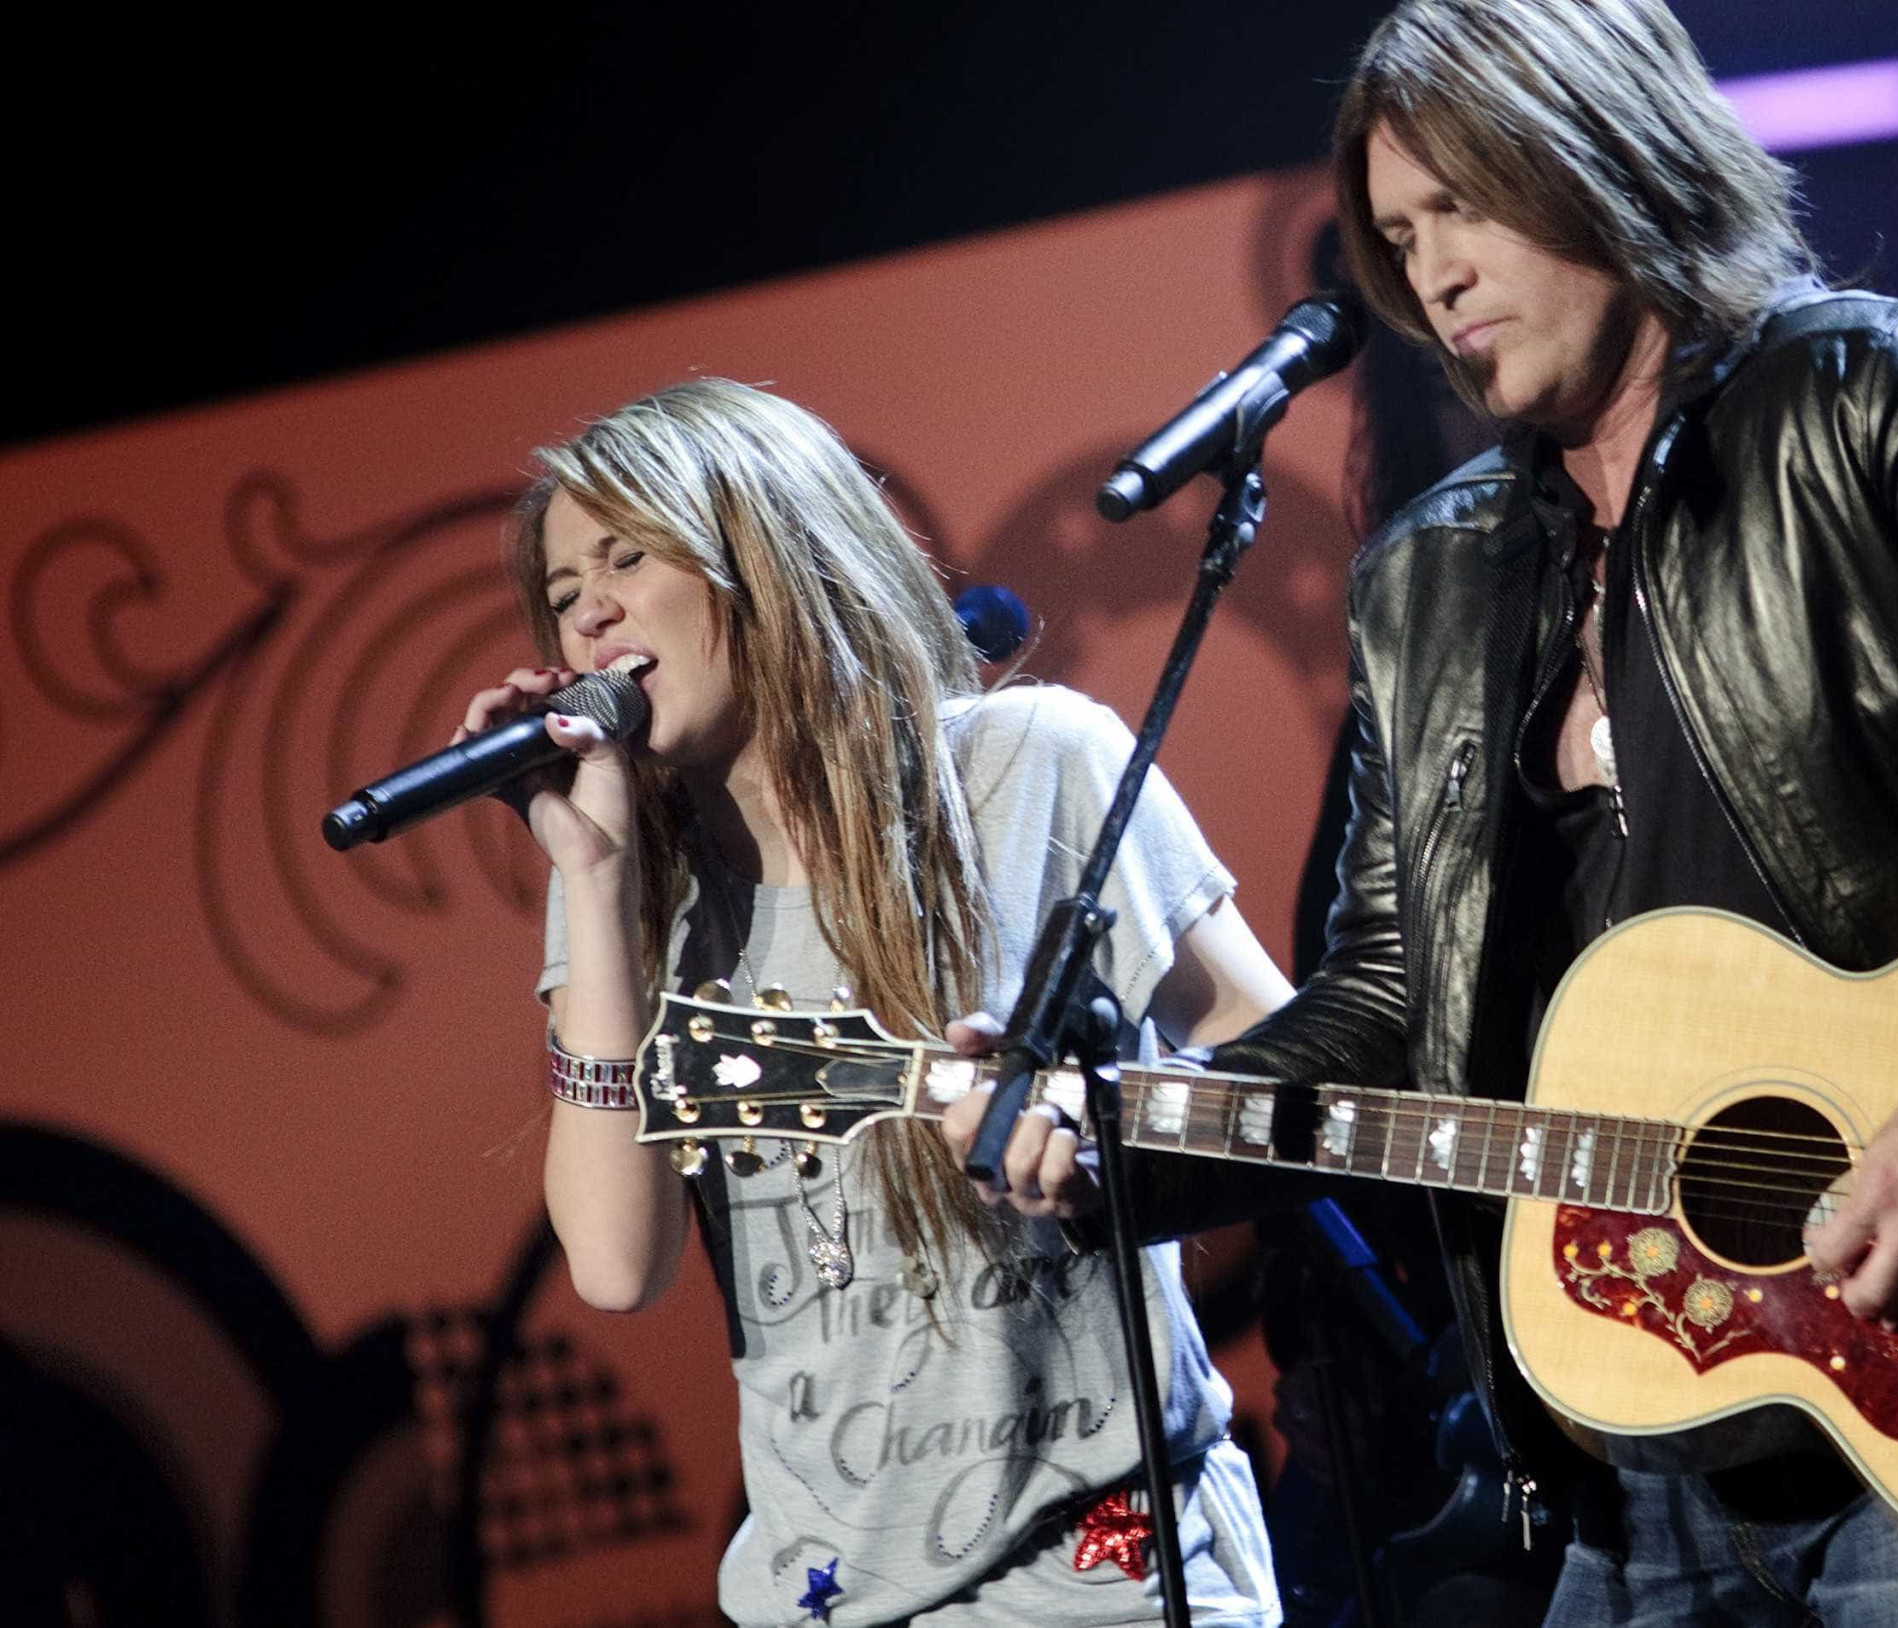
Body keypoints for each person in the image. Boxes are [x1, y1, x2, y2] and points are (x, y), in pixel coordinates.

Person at [960, 3, 1898, 1625]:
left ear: (1600, 154)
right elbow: (1397, 1002)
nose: (1434, 276)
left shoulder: (1861, 394)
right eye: (1400, 240)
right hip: (1634, 1441)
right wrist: (1126, 1142)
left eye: (1460, 206)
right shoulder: (1431, 583)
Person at [466, 378, 1293, 1628]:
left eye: (625, 557)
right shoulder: (631, 886)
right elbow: (617, 1263)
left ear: (765, 553)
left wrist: (1105, 1127)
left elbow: (1285, 1063)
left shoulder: (1032, 763)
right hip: (829, 1599)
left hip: (1112, 1577)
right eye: (564, 588)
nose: (589, 612)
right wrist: (591, 875)